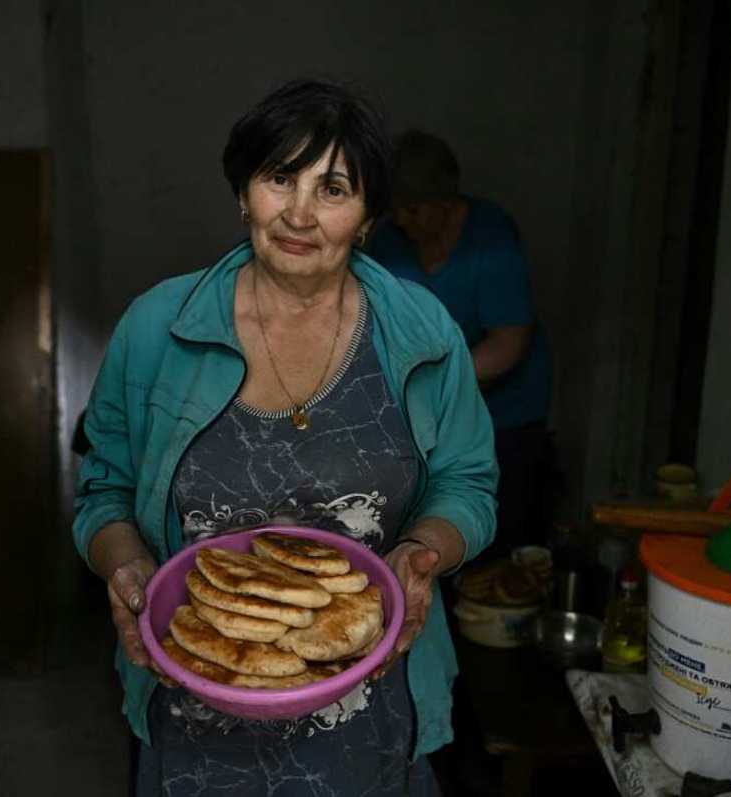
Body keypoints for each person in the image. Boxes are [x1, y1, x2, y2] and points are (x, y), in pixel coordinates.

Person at [73, 81, 498, 795]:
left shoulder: (422, 333)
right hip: (197, 708)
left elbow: (468, 482)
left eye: (333, 189)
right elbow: (103, 489)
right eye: (279, 178)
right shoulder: (156, 328)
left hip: (373, 714)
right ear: (244, 193)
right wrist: (125, 567)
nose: (300, 213)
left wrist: (422, 551)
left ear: (368, 217)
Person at [367, 130, 554, 558]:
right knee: (424, 530)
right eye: (395, 209)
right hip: (419, 414)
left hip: (506, 412)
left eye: (413, 209)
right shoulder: (389, 242)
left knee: (496, 534)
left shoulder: (491, 240)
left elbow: (508, 343)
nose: (401, 220)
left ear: (446, 202)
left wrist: (437, 386)